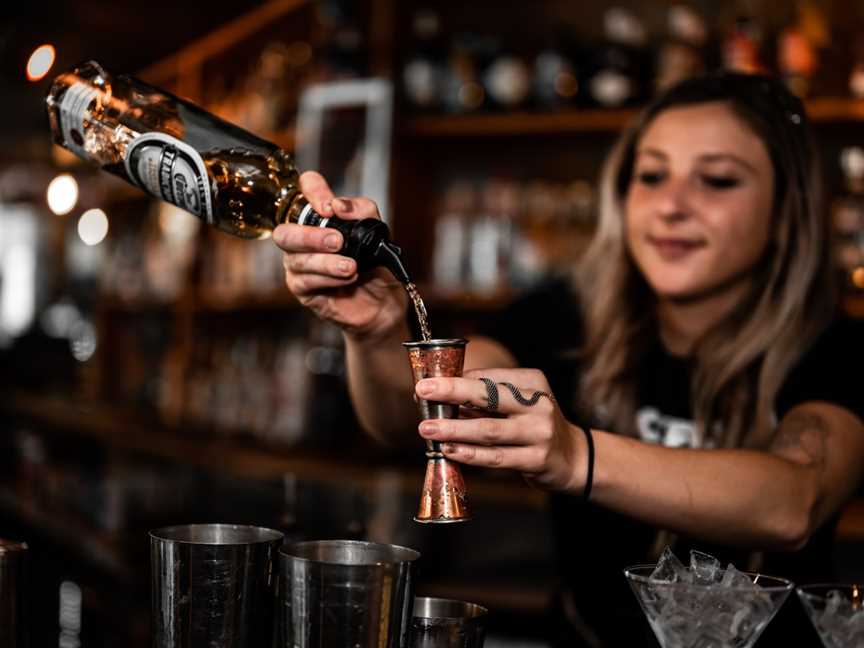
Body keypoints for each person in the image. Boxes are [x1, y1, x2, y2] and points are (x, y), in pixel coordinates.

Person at [272, 72, 864, 647]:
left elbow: (793, 503)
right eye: (651, 176)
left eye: (717, 180)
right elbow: (419, 420)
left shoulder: (836, 347)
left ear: (786, 211)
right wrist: (378, 334)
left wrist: (575, 453)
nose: (672, 205)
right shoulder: (563, 317)